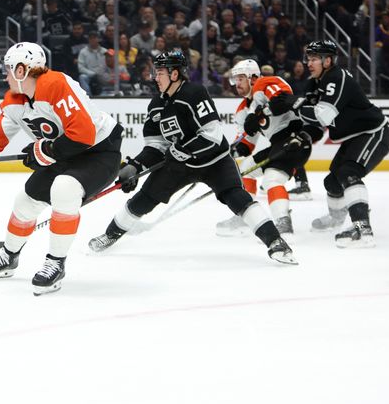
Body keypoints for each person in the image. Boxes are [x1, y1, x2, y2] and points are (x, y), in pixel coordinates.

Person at [0, 42, 123, 295]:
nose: (6, 75)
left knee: (64, 189)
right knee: (25, 200)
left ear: (22, 70)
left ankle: (56, 263)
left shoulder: (55, 84)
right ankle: (9, 256)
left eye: (10, 69)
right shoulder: (15, 99)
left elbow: (84, 135)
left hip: (99, 152)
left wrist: (46, 151)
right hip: (66, 154)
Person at [88, 51, 297, 265]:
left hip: (215, 160)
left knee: (237, 198)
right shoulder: (156, 106)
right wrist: (135, 166)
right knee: (143, 199)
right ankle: (110, 235)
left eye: (159, 73)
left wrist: (182, 150)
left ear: (175, 74)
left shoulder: (194, 93)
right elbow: (156, 146)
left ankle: (276, 242)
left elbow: (212, 135)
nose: (155, 77)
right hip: (179, 165)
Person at [274, 40, 389, 247]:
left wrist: (295, 103)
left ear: (328, 61)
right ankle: (337, 219)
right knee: (332, 182)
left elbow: (324, 117)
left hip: (373, 133)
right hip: (353, 136)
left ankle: (363, 229)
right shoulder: (314, 83)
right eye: (308, 58)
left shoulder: (337, 78)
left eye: (314, 59)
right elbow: (315, 124)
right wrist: (302, 137)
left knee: (348, 172)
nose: (309, 63)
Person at [214, 59, 313, 238]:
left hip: (294, 140)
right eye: (235, 80)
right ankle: (247, 216)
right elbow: (247, 144)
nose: (237, 84)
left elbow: (283, 100)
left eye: (240, 78)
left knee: (271, 180)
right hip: (277, 145)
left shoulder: (265, 83)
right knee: (243, 170)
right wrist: (229, 153)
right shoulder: (242, 109)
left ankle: (283, 223)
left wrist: (259, 113)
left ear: (253, 78)